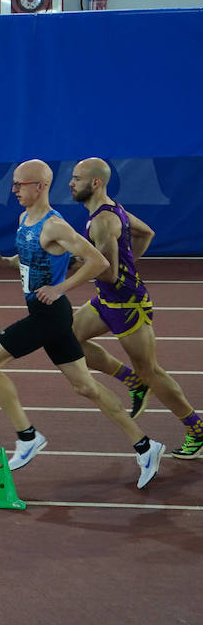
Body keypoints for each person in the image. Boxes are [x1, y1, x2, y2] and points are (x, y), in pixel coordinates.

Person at [0, 159, 165, 489]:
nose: (14, 189)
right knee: (85, 386)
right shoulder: (25, 219)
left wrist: (61, 287)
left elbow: (100, 261)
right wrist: (3, 262)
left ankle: (27, 436)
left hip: (49, 315)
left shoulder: (55, 225)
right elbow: (29, 258)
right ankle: (146, 447)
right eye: (14, 184)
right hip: (47, 313)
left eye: (20, 184)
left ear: (41, 186)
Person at [68, 157, 203, 459]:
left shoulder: (104, 221)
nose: (70, 183)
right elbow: (146, 234)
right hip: (107, 301)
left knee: (151, 370)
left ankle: (197, 429)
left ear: (95, 182)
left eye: (76, 178)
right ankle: (132, 382)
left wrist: (67, 266)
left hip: (128, 307)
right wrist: (130, 264)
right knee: (67, 340)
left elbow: (108, 273)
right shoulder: (111, 210)